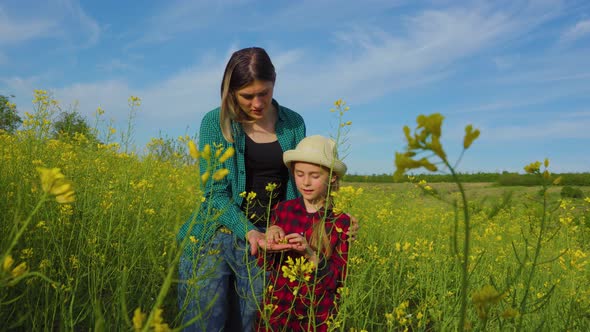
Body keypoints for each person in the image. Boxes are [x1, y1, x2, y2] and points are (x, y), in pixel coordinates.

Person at [176, 47, 306, 331]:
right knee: (204, 323)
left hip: (267, 244)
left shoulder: (294, 123)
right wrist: (248, 230)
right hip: (214, 235)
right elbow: (214, 194)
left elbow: (298, 188)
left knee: (252, 323)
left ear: (274, 84)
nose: (257, 103)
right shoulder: (215, 122)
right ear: (231, 91)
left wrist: (279, 226)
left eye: (265, 93)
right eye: (248, 96)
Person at [256, 135, 350, 332]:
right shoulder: (283, 210)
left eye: (315, 176)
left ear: (332, 176)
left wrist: (310, 254)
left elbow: (338, 281)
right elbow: (265, 265)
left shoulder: (341, 222)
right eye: (299, 174)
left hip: (316, 314)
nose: (306, 182)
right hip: (278, 307)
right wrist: (270, 240)